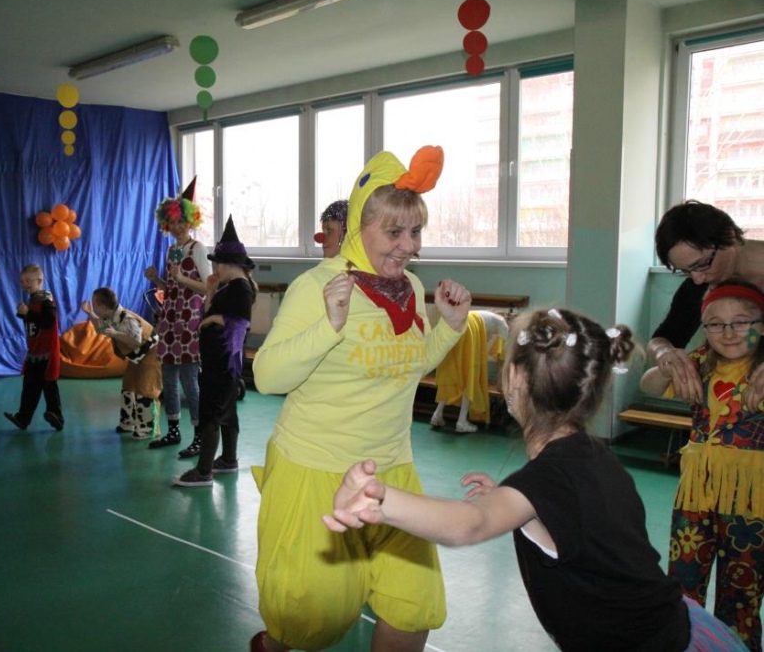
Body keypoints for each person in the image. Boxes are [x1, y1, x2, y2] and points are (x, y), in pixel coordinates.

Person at [325, 307, 749, 652]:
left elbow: (469, 524)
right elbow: (583, 525)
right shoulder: (596, 458)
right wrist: (519, 507)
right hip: (670, 624)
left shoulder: (545, 480)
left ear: (515, 378)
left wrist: (380, 500)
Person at [250, 146, 471, 652]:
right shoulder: (318, 286)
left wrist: (450, 328)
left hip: (392, 471)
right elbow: (266, 376)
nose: (408, 247)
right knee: (306, 617)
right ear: (358, 227)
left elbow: (404, 368)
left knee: (413, 607)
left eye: (416, 232)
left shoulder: (409, 286)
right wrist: (328, 327)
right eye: (394, 233)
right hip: (317, 470)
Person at [640, 280, 764, 651]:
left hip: (751, 500)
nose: (728, 332)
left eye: (741, 322)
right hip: (697, 494)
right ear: (704, 329)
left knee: (742, 592)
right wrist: (668, 364)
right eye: (715, 324)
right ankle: (683, 641)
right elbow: (648, 385)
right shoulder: (697, 362)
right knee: (684, 579)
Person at [648, 200, 764, 410]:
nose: (697, 278)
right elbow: (663, 338)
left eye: (701, 264)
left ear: (729, 236)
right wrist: (664, 353)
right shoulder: (699, 287)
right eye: (686, 271)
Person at [173, 216, 257, 487]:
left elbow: (239, 323)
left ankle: (204, 471)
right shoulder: (227, 286)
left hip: (224, 362)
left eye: (217, 263)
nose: (215, 268)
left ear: (228, 264)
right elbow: (209, 310)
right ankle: (229, 459)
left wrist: (211, 320)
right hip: (215, 361)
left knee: (211, 413)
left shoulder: (241, 288)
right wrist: (209, 291)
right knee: (227, 411)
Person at [143, 178, 210, 456]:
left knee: (189, 382)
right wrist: (157, 280)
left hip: (190, 324)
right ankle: (173, 431)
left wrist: (182, 278)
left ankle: (200, 437)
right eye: (172, 222)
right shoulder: (171, 251)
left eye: (182, 221)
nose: (177, 226)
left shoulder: (198, 249)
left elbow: (208, 287)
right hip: (169, 323)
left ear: (190, 221)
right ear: (166, 224)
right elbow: (172, 287)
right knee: (168, 381)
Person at [81, 287, 162, 439]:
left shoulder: (127, 319)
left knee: (146, 389)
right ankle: (128, 421)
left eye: (94, 305)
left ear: (103, 307)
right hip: (137, 355)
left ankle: (147, 428)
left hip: (151, 352)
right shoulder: (111, 316)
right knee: (128, 387)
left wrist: (116, 334)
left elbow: (136, 340)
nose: (93, 307)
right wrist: (90, 313)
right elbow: (102, 328)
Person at [4, 264, 64, 432]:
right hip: (34, 352)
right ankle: (23, 418)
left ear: (39, 281)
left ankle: (56, 417)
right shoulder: (33, 301)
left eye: (28, 281)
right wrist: (25, 313)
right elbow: (33, 325)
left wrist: (27, 313)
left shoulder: (47, 301)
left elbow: (48, 322)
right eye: (22, 281)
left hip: (47, 353)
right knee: (30, 387)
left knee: (49, 385)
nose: (24, 284)